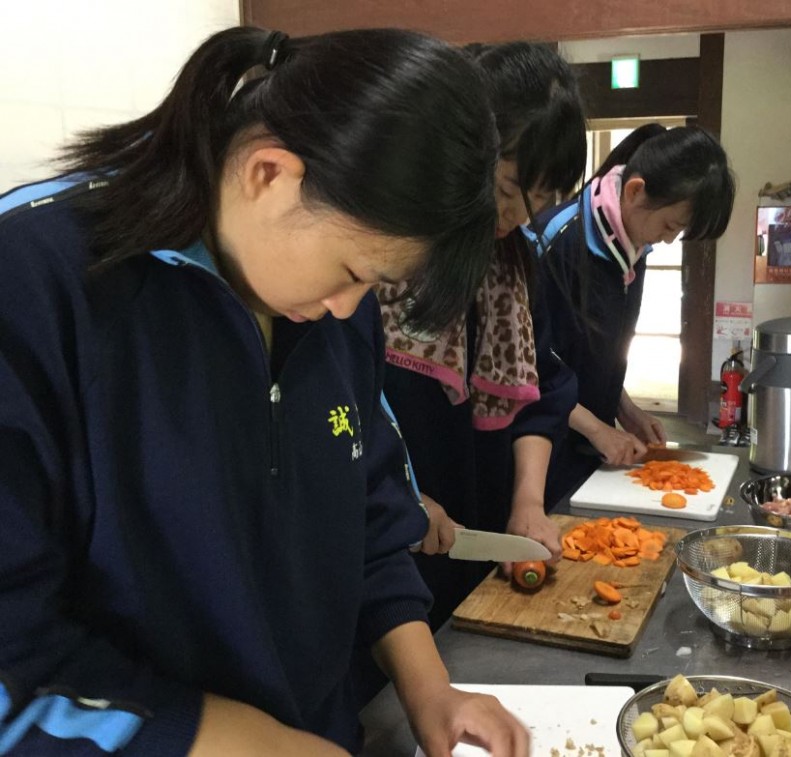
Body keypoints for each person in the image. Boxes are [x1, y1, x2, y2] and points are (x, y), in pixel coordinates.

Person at [0, 27, 531, 757]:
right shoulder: (35, 285)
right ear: (270, 173)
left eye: (374, 285)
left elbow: (371, 513)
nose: (352, 307)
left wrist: (430, 688)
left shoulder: (329, 311)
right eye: (352, 269)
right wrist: (243, 741)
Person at [378, 42, 586, 628]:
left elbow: (542, 395)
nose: (522, 214)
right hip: (391, 556)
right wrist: (393, 491)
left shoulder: (516, 265)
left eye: (544, 198)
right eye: (511, 188)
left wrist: (526, 502)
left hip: (481, 545)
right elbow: (345, 412)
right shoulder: (383, 258)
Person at [531, 124, 736, 506]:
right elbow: (529, 367)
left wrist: (625, 410)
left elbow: (591, 353)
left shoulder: (631, 244)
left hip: (589, 443)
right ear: (635, 191)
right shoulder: (558, 242)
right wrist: (595, 427)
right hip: (535, 447)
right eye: (671, 226)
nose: (669, 239)